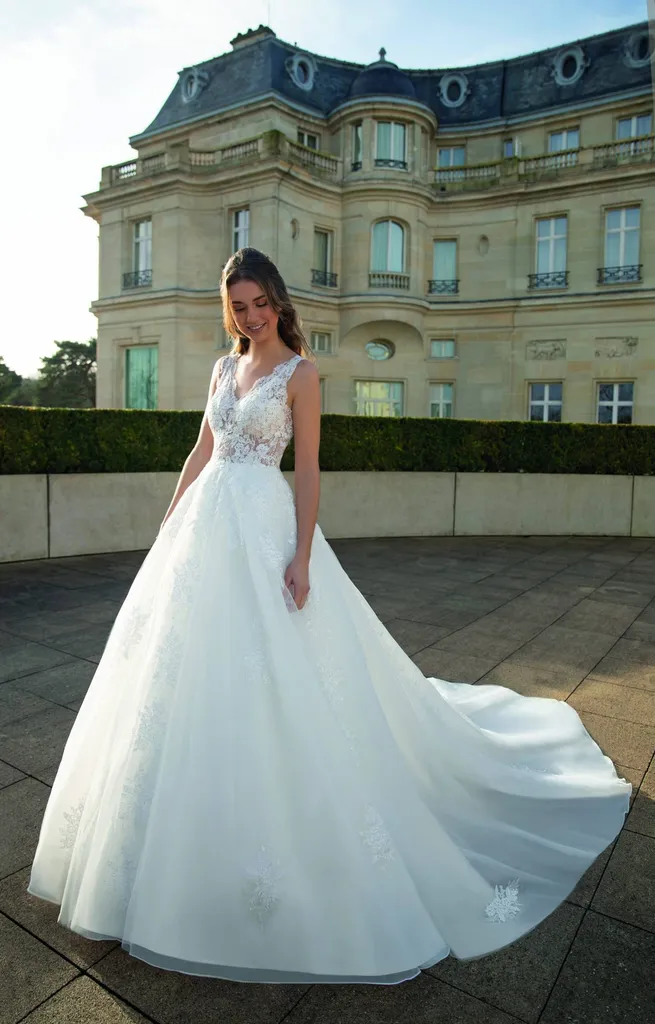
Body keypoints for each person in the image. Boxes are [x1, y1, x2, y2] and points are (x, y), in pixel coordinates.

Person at [28, 247, 631, 986]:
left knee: (285, 672)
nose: (250, 316)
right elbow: (202, 448)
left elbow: (307, 466)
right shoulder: (224, 368)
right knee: (173, 678)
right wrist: (169, 519)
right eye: (239, 306)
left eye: (259, 303)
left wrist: (302, 556)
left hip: (262, 524)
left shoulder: (300, 374)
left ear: (279, 302)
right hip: (203, 531)